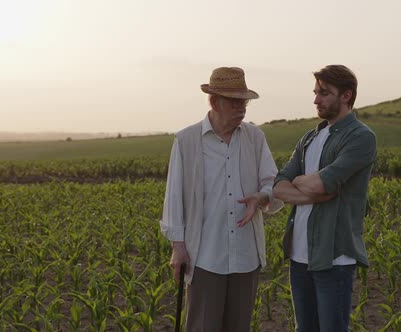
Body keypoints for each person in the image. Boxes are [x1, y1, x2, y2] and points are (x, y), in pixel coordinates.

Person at [160, 66, 283, 332]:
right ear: (214, 101)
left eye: (244, 101)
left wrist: (262, 196)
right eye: (235, 101)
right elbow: (174, 198)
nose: (242, 108)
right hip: (204, 255)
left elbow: (273, 182)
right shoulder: (186, 140)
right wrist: (178, 247)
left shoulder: (254, 137)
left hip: (245, 255)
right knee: (202, 326)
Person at [272, 64, 377, 331]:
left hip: (334, 256)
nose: (316, 99)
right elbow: (278, 187)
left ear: (346, 96)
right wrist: (308, 189)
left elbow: (320, 183)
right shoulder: (310, 138)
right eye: (316, 92)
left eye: (324, 93)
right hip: (299, 255)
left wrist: (303, 183)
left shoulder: (361, 137)